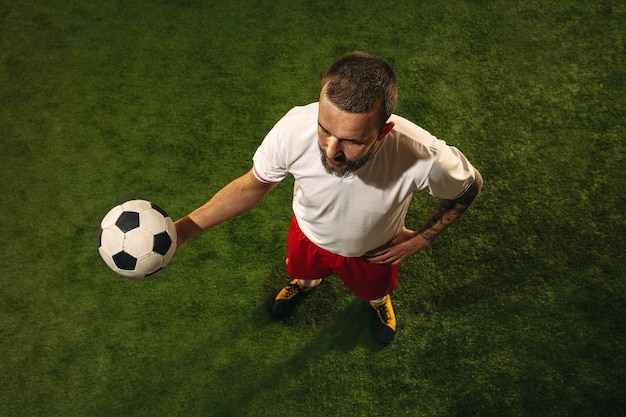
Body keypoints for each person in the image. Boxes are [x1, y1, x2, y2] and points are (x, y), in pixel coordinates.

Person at [175, 52, 483, 346]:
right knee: (303, 273)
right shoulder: (294, 128)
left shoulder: (422, 155)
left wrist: (422, 238)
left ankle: (378, 303)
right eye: (324, 129)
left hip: (373, 252)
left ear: (384, 131)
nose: (331, 150)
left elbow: (469, 186)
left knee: (376, 291)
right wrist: (183, 230)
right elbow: (254, 184)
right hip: (307, 235)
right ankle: (305, 284)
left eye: (351, 140)